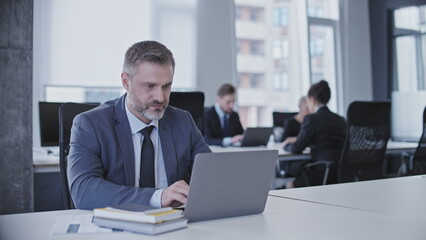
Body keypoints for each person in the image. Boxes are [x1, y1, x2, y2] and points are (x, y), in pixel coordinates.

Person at [67, 40, 211, 210]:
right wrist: (158, 197)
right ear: (125, 82)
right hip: (119, 228)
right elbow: (84, 191)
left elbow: (212, 176)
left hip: (175, 226)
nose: (160, 97)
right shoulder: (90, 124)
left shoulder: (183, 121)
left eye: (166, 86)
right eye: (150, 86)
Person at [283, 80, 346, 188]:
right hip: (342, 173)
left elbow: (296, 148)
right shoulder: (340, 119)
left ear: (312, 99)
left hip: (321, 171)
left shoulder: (311, 119)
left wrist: (286, 145)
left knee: (288, 187)